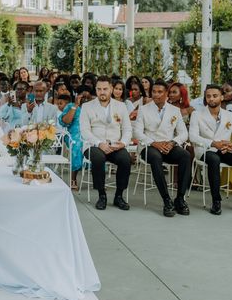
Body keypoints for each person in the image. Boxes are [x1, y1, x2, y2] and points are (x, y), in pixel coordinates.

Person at [189, 85, 232, 216]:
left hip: (225, 150)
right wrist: (213, 143)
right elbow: (193, 136)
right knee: (214, 159)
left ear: (221, 97)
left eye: (215, 96)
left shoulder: (229, 115)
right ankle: (216, 201)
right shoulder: (197, 114)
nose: (211, 99)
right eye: (208, 96)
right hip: (206, 149)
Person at [135, 79, 191, 217]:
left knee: (185, 156)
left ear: (166, 94)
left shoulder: (175, 110)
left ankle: (180, 199)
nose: (156, 95)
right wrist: (154, 143)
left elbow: (184, 133)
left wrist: (172, 142)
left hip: (168, 145)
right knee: (155, 157)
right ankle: (167, 200)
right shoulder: (143, 109)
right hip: (149, 147)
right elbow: (137, 132)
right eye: (154, 91)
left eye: (160, 92)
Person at [79, 76, 132, 211]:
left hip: (115, 144)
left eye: (105, 89)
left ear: (111, 89)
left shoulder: (121, 106)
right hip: (93, 145)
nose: (102, 92)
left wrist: (123, 143)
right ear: (95, 90)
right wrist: (99, 143)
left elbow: (127, 129)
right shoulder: (87, 106)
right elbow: (84, 130)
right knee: (98, 158)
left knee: (126, 159)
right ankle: (102, 195)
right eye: (99, 89)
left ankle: (119, 196)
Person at [57, 86, 93, 190]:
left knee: (97, 143)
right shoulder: (71, 106)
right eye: (83, 97)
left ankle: (97, 178)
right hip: (74, 135)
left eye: (88, 97)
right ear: (78, 96)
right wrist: (76, 106)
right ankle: (73, 179)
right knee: (78, 145)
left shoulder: (93, 108)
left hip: (90, 135)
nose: (85, 99)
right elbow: (65, 121)